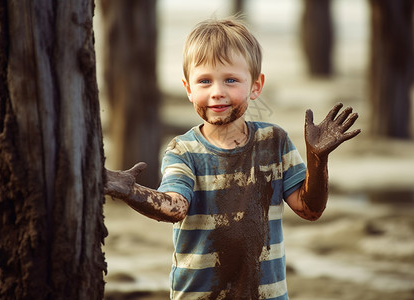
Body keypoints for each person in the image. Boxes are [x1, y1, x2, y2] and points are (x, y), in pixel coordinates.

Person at [105, 16, 361, 300]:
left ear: (255, 85)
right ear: (188, 88)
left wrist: (317, 160)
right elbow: (175, 207)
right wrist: (131, 191)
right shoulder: (183, 150)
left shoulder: (274, 142)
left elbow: (309, 209)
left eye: (230, 80)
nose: (217, 92)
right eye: (204, 81)